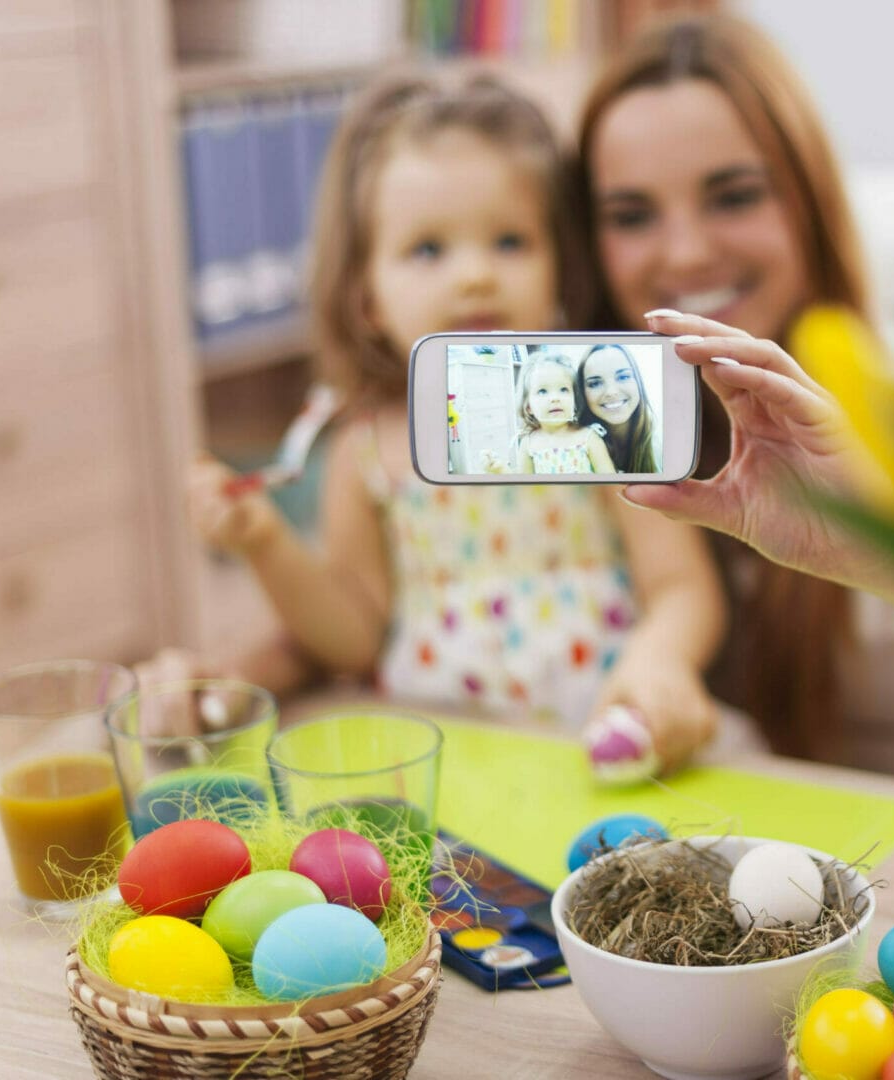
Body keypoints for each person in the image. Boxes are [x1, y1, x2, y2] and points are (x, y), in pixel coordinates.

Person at [577, 14, 894, 804]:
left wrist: (875, 537)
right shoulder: (629, 441)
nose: (684, 253)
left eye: (734, 196)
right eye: (631, 215)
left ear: (809, 201)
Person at [172, 73, 725, 769]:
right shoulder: (364, 449)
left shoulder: (603, 409)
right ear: (366, 295)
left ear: (561, 264)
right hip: (442, 768)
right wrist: (264, 542)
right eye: (428, 250)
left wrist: (660, 663)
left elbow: (680, 584)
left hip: (601, 745)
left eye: (510, 242)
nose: (475, 277)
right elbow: (354, 637)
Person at [483, 353, 616, 474]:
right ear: (528, 406)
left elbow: (610, 483)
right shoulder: (528, 443)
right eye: (542, 391)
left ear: (574, 400)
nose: (555, 398)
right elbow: (523, 488)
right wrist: (501, 471)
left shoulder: (589, 437)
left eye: (564, 389)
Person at [577, 343, 660, 473]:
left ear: (638, 382)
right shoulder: (575, 448)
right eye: (595, 383)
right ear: (582, 393)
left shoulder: (661, 446)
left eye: (623, 377)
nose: (611, 392)